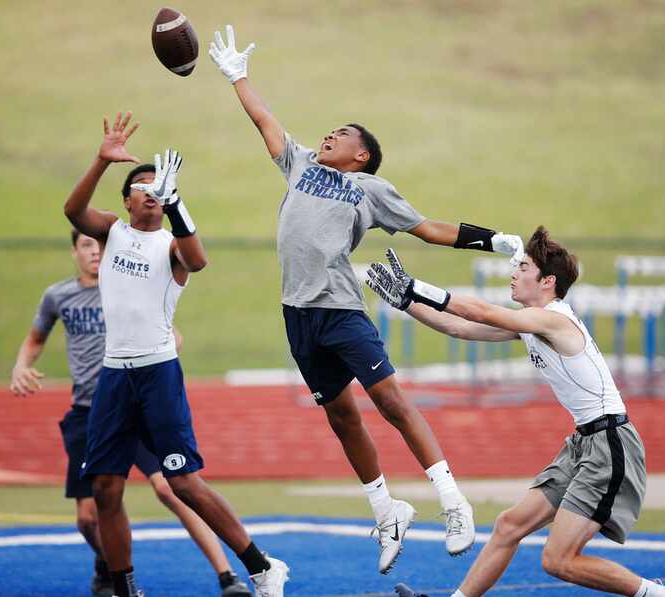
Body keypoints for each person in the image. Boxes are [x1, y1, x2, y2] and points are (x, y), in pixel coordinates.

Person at [208, 24, 526, 574]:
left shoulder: (371, 189)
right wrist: (238, 76)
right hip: (297, 315)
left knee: (393, 404)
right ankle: (387, 509)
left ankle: (453, 502)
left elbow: (428, 228)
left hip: (340, 309)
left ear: (362, 156)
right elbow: (265, 120)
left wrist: (492, 239)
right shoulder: (302, 163)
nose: (329, 135)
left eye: (343, 134)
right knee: (340, 416)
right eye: (330, 130)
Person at [365, 228, 665, 597]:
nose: (514, 273)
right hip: (584, 444)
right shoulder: (532, 323)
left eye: (523, 267)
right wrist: (408, 303)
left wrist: (418, 287)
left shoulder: (554, 319)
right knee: (508, 525)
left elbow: (485, 311)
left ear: (547, 281)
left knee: (559, 560)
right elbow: (461, 327)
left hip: (609, 444)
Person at [63, 111, 289, 597]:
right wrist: (102, 159)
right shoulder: (111, 231)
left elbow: (199, 261)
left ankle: (262, 565)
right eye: (142, 186)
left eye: (158, 186)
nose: (151, 191)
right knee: (105, 487)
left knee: (182, 483)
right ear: (126, 201)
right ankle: (124, 588)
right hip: (114, 375)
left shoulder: (171, 244)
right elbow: (73, 210)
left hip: (157, 372)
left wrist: (178, 199)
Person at [9, 229, 252, 597]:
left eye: (99, 246)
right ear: (74, 251)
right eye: (86, 246)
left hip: (137, 406)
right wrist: (21, 366)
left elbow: (170, 331)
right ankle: (110, 567)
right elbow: (34, 339)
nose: (93, 252)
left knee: (172, 488)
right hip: (91, 411)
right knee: (89, 516)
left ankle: (227, 576)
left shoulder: (128, 285)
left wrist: (162, 354)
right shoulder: (59, 296)